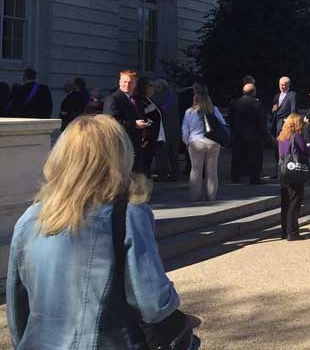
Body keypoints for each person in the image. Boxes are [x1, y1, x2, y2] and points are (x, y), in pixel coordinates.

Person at [5, 114, 197, 349]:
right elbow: (152, 303)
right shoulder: (127, 214)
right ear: (120, 156)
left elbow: (17, 309)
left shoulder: (30, 218)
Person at [181, 84, 228, 201]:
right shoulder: (214, 109)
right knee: (212, 171)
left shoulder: (189, 112)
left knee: (196, 170)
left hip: (196, 142)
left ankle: (195, 196)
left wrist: (187, 142)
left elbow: (185, 130)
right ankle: (211, 196)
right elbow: (222, 125)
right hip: (213, 142)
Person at [103, 69, 150, 166]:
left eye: (130, 82)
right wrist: (134, 124)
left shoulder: (137, 100)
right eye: (124, 81)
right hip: (122, 144)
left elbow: (140, 116)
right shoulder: (113, 99)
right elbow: (110, 122)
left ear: (135, 84)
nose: (127, 84)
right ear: (120, 81)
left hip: (137, 143)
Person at [277, 113, 310, 241]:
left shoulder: (281, 136)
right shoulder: (296, 136)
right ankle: (292, 232)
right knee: (294, 202)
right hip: (294, 172)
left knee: (285, 202)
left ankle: (284, 231)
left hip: (283, 171)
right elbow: (305, 151)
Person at [230, 82, 268, 183]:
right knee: (254, 157)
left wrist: (233, 131)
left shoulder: (234, 103)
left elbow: (231, 119)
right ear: (253, 92)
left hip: (238, 134)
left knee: (237, 155)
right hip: (253, 134)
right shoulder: (257, 104)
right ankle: (254, 178)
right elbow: (261, 121)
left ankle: (235, 176)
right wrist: (264, 134)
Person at [152, 79, 181, 181]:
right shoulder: (173, 95)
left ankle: (162, 175)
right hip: (176, 128)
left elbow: (151, 108)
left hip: (164, 129)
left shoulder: (158, 96)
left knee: (162, 153)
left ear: (159, 87)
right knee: (174, 153)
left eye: (154, 87)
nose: (153, 89)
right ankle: (175, 174)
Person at [135, 77, 164, 176]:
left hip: (153, 138)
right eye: (151, 85)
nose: (153, 88)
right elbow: (142, 117)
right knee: (144, 165)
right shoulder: (140, 101)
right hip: (146, 138)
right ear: (144, 87)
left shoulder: (149, 100)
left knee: (147, 163)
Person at [270, 76, 297, 177]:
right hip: (275, 125)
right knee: (276, 148)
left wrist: (289, 122)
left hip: (285, 125)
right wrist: (273, 111)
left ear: (288, 85)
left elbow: (293, 110)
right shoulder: (277, 95)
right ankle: (277, 172)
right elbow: (274, 109)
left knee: (285, 149)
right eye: (280, 85)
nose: (282, 86)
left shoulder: (292, 95)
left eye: (284, 85)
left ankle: (285, 171)